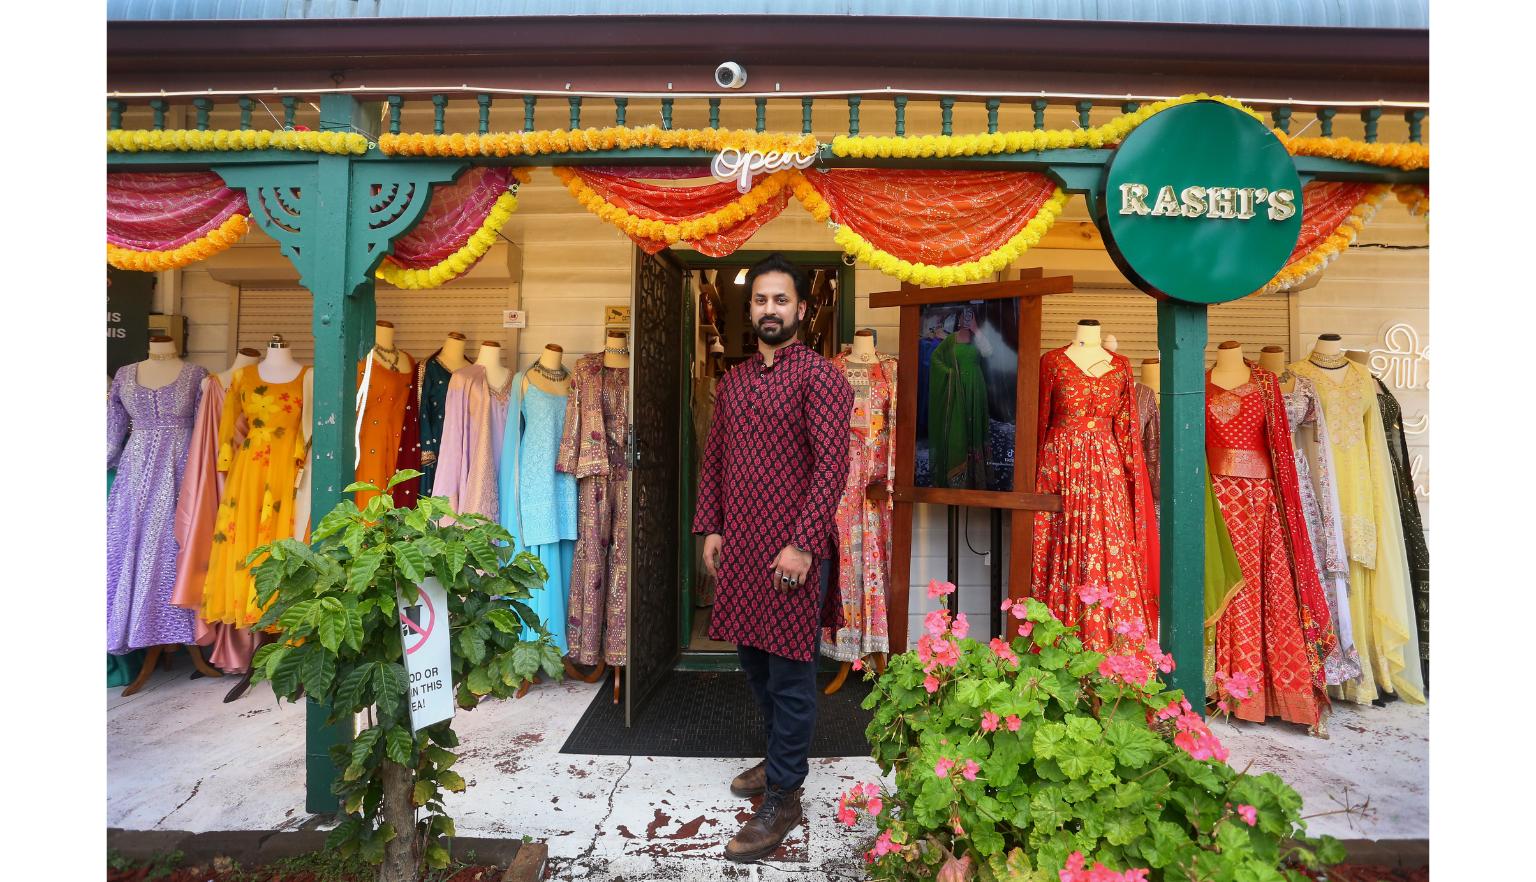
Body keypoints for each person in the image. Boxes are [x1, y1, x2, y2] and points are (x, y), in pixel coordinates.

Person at [695, 253, 854, 862]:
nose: (769, 310)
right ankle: (779, 758)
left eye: (780, 300)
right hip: (740, 549)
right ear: (752, 307)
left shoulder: (821, 378)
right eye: (761, 300)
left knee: (789, 673)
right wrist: (710, 527)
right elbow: (716, 461)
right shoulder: (733, 381)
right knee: (752, 661)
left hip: (791, 552)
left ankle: (785, 793)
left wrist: (804, 543)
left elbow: (832, 466)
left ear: (801, 310)